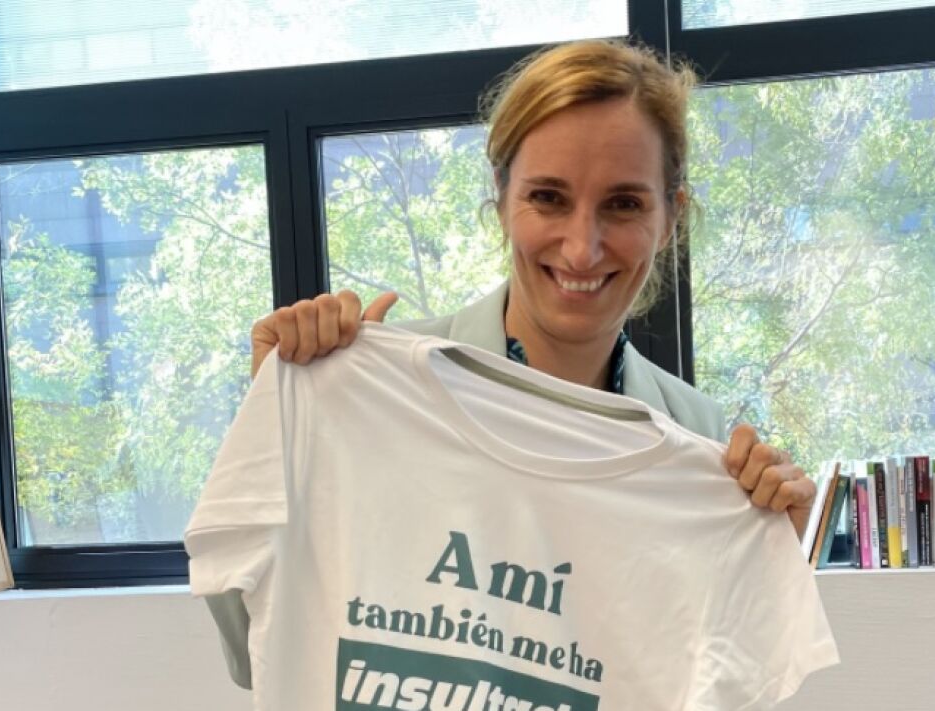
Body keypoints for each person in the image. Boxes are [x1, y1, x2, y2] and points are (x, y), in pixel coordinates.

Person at [206, 38, 816, 689]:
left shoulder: (699, 438)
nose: (581, 249)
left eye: (624, 204)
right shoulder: (371, 391)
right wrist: (276, 430)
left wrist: (767, 557)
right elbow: (254, 653)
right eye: (548, 197)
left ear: (671, 218)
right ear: (500, 198)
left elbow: (699, 684)